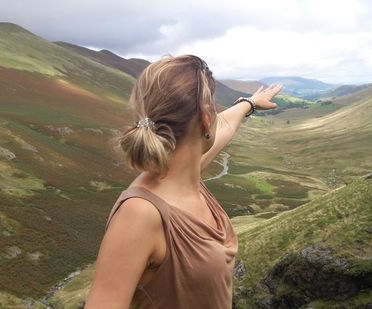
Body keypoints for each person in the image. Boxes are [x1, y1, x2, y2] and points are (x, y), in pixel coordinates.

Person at [84, 54, 283, 308]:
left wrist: (249, 103)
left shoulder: (186, 174)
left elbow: (224, 127)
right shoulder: (140, 213)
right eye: (212, 105)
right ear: (205, 118)